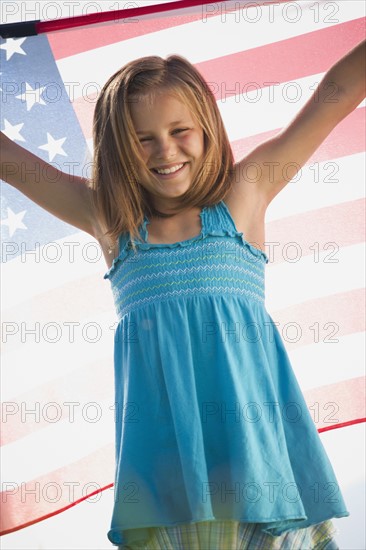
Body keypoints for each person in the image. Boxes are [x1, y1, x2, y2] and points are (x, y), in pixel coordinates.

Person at [1, 38, 364, 550]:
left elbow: (339, 89)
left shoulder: (245, 195)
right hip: (167, 490)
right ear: (118, 149)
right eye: (142, 139)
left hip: (262, 472)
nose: (165, 150)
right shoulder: (111, 222)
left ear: (207, 128)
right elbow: (7, 156)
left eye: (179, 131)